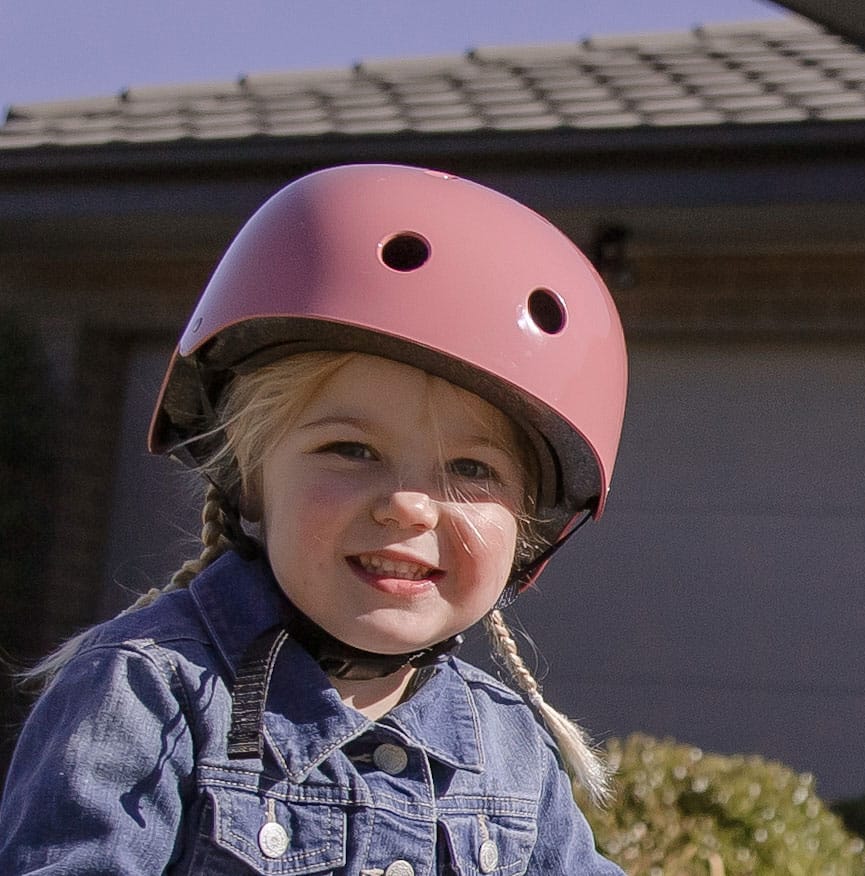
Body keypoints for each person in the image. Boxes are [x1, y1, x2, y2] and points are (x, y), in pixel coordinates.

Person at [0, 164, 628, 874]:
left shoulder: (510, 748)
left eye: (472, 470)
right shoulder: (148, 696)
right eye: (352, 449)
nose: (410, 504)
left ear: (529, 532)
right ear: (250, 479)